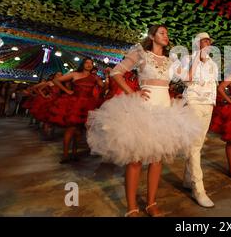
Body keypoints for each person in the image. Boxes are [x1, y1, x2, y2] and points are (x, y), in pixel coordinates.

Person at [86, 25, 201, 217]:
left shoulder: (170, 60)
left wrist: (197, 55)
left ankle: (151, 204)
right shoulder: (141, 54)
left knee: (157, 160)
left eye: (167, 33)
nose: (166, 36)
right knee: (135, 160)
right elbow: (116, 73)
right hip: (143, 110)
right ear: (152, 36)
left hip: (165, 112)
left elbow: (188, 78)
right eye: (162, 33)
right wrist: (133, 92)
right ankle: (132, 207)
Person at [176, 32, 219, 208]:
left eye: (209, 40)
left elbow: (214, 85)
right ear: (196, 43)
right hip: (193, 103)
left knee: (198, 144)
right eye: (204, 40)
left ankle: (187, 179)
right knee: (194, 145)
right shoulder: (187, 58)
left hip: (207, 105)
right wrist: (196, 57)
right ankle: (198, 189)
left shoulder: (213, 63)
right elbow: (187, 80)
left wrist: (212, 103)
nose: (207, 43)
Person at [49, 58, 103, 163]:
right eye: (87, 63)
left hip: (88, 105)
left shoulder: (94, 77)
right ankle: (65, 155)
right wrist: (67, 90)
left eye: (91, 63)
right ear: (82, 64)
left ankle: (74, 154)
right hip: (75, 104)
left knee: (79, 132)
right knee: (70, 129)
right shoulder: (74, 74)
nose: (89, 65)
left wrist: (106, 78)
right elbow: (55, 80)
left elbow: (103, 86)